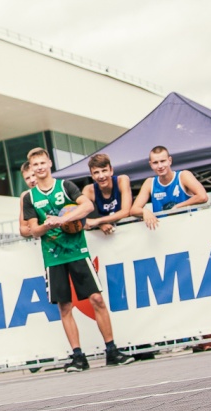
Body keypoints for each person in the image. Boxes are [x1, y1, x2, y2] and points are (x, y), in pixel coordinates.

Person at [22, 147, 133, 371]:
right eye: (35, 165)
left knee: (97, 299)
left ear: (49, 163)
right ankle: (78, 357)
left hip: (77, 251)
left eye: (42, 163)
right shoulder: (29, 198)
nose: (40, 168)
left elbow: (88, 206)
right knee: (64, 307)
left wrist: (64, 219)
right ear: (31, 169)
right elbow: (33, 230)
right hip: (53, 256)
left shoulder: (65, 186)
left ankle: (112, 350)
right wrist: (47, 225)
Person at [131, 146, 209, 229]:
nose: (160, 166)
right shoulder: (150, 182)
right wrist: (144, 211)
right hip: (165, 231)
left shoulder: (183, 176)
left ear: (170, 160)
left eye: (163, 161)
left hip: (189, 227)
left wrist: (178, 207)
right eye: (155, 163)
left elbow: (203, 197)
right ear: (150, 164)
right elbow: (133, 210)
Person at [81, 153, 133, 236]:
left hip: (129, 230)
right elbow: (80, 218)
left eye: (104, 170)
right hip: (105, 237)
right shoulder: (89, 190)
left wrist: (98, 221)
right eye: (96, 172)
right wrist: (100, 225)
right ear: (92, 175)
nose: (101, 176)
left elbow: (125, 212)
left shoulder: (122, 180)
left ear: (111, 170)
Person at [18, 161, 37, 238]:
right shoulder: (26, 196)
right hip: (43, 241)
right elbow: (23, 229)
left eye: (33, 175)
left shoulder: (57, 187)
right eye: (27, 178)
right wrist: (42, 227)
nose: (32, 180)